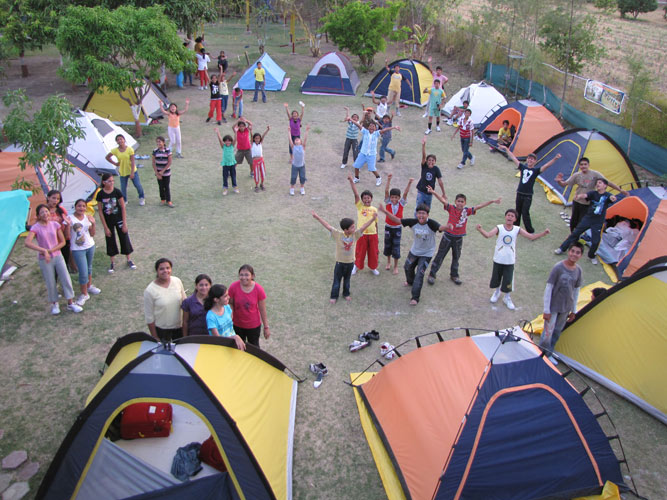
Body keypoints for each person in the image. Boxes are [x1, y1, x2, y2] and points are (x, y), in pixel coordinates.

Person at [476, 209, 550, 310]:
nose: (510, 217)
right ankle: (497, 292)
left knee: (508, 279)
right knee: (497, 277)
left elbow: (531, 237)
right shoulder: (499, 228)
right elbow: (488, 235)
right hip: (498, 258)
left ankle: (507, 297)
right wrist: (480, 230)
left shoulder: (517, 229)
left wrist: (543, 233)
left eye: (512, 216)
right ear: (505, 217)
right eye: (508, 215)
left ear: (515, 219)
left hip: (509, 260)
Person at [426, 186, 501, 285]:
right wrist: (433, 192)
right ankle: (432, 274)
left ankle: (454, 275)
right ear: (455, 202)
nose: (460, 203)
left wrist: (492, 201)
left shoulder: (467, 211)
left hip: (458, 238)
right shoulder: (451, 208)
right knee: (440, 255)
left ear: (465, 203)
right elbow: (442, 200)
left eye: (462, 201)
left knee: (456, 257)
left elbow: (479, 206)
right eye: (458, 201)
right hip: (447, 237)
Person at [378, 203, 447, 305]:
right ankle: (410, 281)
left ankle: (415, 297)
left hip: (426, 254)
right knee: (407, 267)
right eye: (419, 213)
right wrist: (384, 211)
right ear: (416, 214)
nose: (421, 215)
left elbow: (440, 228)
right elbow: (397, 220)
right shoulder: (413, 222)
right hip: (415, 251)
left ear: (427, 215)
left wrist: (447, 227)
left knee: (419, 274)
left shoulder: (431, 224)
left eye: (423, 213)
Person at [25, 204, 83, 315]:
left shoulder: (55, 224)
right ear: (38, 215)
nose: (45, 214)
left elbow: (62, 242)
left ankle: (70, 303)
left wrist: (50, 250)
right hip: (45, 259)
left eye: (46, 211)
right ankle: (55, 304)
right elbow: (27, 242)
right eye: (42, 212)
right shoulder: (36, 227)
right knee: (50, 281)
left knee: (66, 278)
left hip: (58, 256)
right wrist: (44, 251)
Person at [312, 209, 379, 303]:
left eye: (354, 226)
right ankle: (334, 296)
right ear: (346, 230)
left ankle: (346, 294)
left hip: (350, 263)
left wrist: (372, 219)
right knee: (337, 280)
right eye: (352, 227)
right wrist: (317, 217)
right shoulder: (338, 235)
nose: (354, 228)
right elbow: (327, 226)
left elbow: (364, 226)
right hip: (339, 263)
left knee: (347, 280)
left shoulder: (355, 235)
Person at [555, 157, 629, 232]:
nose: (583, 166)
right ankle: (572, 235)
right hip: (577, 201)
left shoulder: (595, 174)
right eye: (581, 164)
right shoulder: (576, 175)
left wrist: (620, 190)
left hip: (588, 203)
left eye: (585, 164)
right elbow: (564, 184)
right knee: (573, 220)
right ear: (579, 166)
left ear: (588, 165)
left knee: (582, 221)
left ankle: (577, 235)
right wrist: (559, 181)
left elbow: (607, 182)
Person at [499, 145, 561, 234]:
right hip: (519, 193)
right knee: (517, 211)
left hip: (528, 195)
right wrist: (506, 149)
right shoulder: (522, 167)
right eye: (529, 158)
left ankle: (530, 231)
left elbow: (546, 165)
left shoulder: (536, 171)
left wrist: (555, 158)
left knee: (525, 213)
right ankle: (515, 228)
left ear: (535, 161)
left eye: (532, 159)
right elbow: (513, 158)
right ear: (527, 160)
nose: (530, 160)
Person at [554, 178, 618, 265]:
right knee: (575, 233)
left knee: (596, 241)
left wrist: (613, 198)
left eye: (600, 183)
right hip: (588, 218)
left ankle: (591, 256)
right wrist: (579, 196)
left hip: (598, 222)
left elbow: (612, 198)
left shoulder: (607, 195)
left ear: (605, 185)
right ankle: (562, 248)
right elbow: (585, 195)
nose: (597, 184)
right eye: (597, 183)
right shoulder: (593, 193)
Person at [540, 242, 583, 364]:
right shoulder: (558, 268)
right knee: (548, 332)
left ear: (581, 255)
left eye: (578, 252)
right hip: (553, 306)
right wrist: (546, 310)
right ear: (568, 252)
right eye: (572, 251)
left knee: (557, 331)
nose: (574, 254)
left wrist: (573, 310)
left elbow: (576, 291)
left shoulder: (578, 271)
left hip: (566, 308)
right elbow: (549, 288)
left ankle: (549, 352)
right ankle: (542, 354)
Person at [95, 173, 137, 273]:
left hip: (119, 219)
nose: (112, 183)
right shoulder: (100, 194)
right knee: (110, 239)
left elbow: (122, 207)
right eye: (109, 181)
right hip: (108, 220)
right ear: (104, 182)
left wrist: (124, 223)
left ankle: (129, 259)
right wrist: (105, 227)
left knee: (124, 237)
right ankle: (112, 262)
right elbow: (100, 211)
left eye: (113, 181)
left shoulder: (117, 192)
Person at [67, 199, 101, 306]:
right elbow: (67, 236)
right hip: (77, 249)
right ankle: (84, 294)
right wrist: (67, 225)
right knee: (83, 271)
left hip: (90, 246)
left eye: (83, 206)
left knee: (89, 268)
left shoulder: (87, 218)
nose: (81, 208)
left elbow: (92, 234)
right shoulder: (70, 218)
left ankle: (89, 286)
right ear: (75, 207)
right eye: (79, 206)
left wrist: (93, 223)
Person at [144, 258, 186, 342]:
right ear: (157, 271)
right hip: (162, 330)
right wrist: (155, 336)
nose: (165, 271)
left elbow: (185, 302)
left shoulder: (177, 281)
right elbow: (149, 317)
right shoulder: (150, 291)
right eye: (161, 269)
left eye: (168, 268)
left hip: (179, 327)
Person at [228, 264, 271, 347]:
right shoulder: (233, 287)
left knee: (254, 348)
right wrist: (230, 319)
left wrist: (266, 327)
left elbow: (262, 309)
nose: (244, 277)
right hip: (237, 325)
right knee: (238, 347)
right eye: (241, 275)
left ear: (253, 276)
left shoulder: (258, 289)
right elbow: (230, 304)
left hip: (253, 326)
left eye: (247, 275)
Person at [350, 119, 400, 186]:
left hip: (371, 155)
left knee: (372, 168)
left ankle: (378, 178)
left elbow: (385, 129)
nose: (371, 127)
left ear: (375, 128)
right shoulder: (365, 132)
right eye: (370, 126)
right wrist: (351, 120)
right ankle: (356, 178)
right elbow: (358, 125)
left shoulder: (376, 133)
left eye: (373, 126)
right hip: (363, 153)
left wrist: (394, 127)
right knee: (356, 166)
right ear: (368, 127)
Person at [348, 175, 379, 275]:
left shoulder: (374, 209)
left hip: (373, 234)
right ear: (361, 200)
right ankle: (356, 266)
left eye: (368, 198)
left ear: (371, 199)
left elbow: (376, 223)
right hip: (361, 234)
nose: (366, 200)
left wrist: (377, 234)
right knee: (360, 251)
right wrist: (351, 181)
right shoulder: (360, 207)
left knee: (373, 252)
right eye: (364, 198)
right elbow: (356, 194)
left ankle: (373, 267)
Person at [383, 175, 414, 274]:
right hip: (388, 227)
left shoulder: (401, 203)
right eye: (392, 197)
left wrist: (409, 183)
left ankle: (396, 266)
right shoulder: (388, 203)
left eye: (396, 197)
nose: (393, 199)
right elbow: (386, 191)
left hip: (397, 228)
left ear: (399, 198)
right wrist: (388, 179)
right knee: (388, 245)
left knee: (396, 247)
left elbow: (405, 193)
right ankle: (388, 262)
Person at [106, 134, 145, 205]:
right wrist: (115, 163)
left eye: (121, 139)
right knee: (123, 188)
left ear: (124, 140)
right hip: (123, 172)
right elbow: (107, 157)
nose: (120, 141)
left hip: (132, 171)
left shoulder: (130, 149)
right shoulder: (115, 150)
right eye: (118, 140)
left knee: (137, 185)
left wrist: (132, 173)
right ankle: (124, 200)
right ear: (116, 142)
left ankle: (141, 197)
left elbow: (132, 161)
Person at [205, 284, 246, 350]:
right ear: (216, 299)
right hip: (221, 348)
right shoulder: (211, 317)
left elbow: (230, 325)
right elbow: (217, 339)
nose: (229, 297)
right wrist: (234, 337)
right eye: (225, 296)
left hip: (231, 345)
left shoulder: (227, 308)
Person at [415, 136, 446, 211]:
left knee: (427, 210)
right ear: (426, 161)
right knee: (418, 209)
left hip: (429, 193)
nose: (431, 162)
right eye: (429, 160)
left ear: (435, 162)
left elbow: (440, 181)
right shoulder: (424, 166)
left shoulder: (436, 169)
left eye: (433, 160)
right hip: (421, 191)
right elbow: (423, 156)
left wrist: (443, 193)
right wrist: (423, 145)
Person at [45, 190, 72, 271]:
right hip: (49, 240)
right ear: (48, 198)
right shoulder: (44, 210)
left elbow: (66, 222)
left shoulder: (61, 210)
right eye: (53, 198)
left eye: (58, 199)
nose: (55, 201)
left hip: (61, 239)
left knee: (64, 261)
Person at [152, 136, 174, 207]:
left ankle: (169, 201)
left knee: (166, 187)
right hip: (158, 173)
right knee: (161, 187)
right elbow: (153, 163)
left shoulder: (168, 151)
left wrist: (162, 171)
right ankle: (162, 200)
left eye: (160, 142)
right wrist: (157, 173)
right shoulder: (155, 151)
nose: (158, 143)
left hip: (166, 173)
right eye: (157, 142)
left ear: (163, 142)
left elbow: (169, 162)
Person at [215, 128, 239, 195]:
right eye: (226, 141)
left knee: (233, 175)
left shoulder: (232, 146)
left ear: (231, 141)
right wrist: (218, 132)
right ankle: (225, 188)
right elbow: (220, 140)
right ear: (224, 142)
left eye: (229, 141)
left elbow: (235, 139)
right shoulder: (223, 146)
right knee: (225, 176)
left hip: (232, 164)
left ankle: (235, 187)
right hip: (225, 164)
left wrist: (236, 132)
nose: (228, 142)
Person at [289, 125, 310, 195]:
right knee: (293, 177)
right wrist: (289, 132)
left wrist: (307, 131)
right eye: (295, 139)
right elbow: (290, 140)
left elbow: (305, 139)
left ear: (301, 142)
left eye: (298, 139)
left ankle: (302, 189)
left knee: (302, 177)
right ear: (294, 142)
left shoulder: (303, 147)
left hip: (302, 166)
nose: (297, 139)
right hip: (294, 166)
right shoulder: (293, 147)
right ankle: (292, 189)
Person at [251, 125, 270, 192]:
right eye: (256, 138)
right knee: (256, 174)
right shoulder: (252, 144)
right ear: (254, 139)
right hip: (255, 161)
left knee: (263, 173)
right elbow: (251, 136)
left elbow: (263, 136)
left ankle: (262, 184)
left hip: (261, 160)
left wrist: (267, 130)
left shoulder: (260, 144)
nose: (257, 139)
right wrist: (250, 130)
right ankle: (256, 186)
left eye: (258, 138)